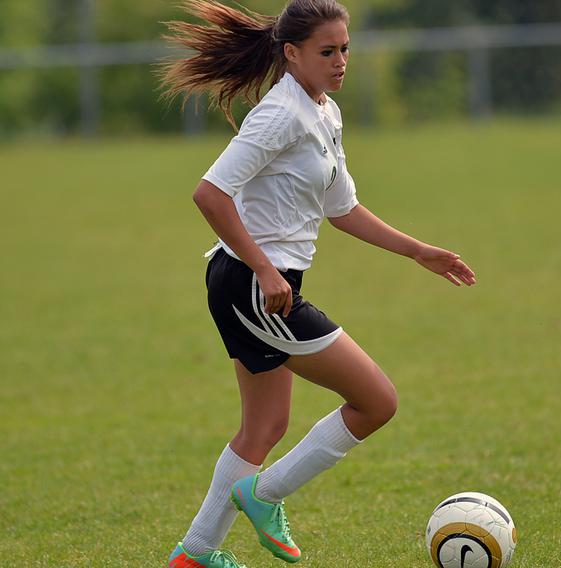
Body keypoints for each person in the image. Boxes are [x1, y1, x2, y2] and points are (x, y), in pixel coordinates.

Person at [158, 1, 476, 566]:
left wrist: (418, 251)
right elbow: (210, 193)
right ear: (292, 54)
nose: (340, 61)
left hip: (254, 282)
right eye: (327, 52)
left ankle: (195, 554)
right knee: (376, 401)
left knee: (265, 425)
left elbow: (343, 207)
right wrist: (263, 267)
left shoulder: (322, 112)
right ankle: (262, 495)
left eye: (345, 49)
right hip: (255, 286)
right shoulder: (281, 114)